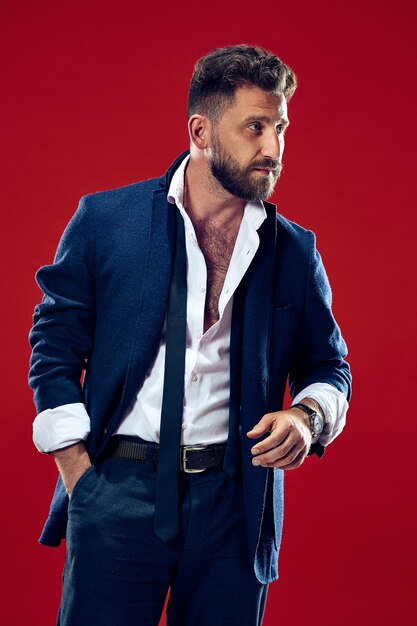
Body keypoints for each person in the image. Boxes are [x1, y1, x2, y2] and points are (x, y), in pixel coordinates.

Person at [29, 44, 351, 626]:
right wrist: (79, 474)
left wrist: (307, 418)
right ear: (201, 132)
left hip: (235, 504)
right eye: (255, 127)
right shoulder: (105, 222)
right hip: (117, 489)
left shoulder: (295, 252)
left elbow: (331, 366)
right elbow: (53, 345)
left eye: (280, 127)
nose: (273, 149)